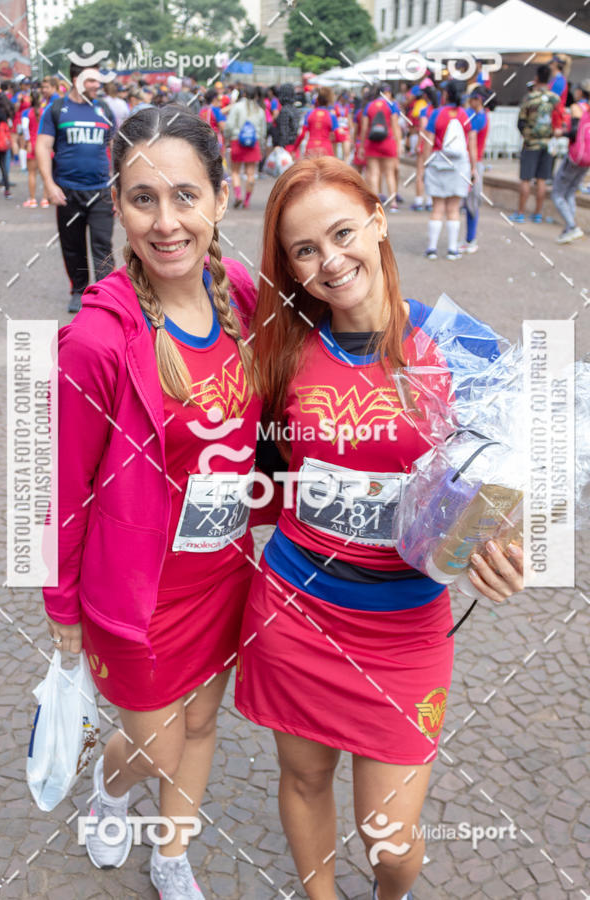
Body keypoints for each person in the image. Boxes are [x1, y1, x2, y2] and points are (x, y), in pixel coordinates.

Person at [236, 156, 524, 900]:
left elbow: (508, 486)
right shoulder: (283, 351)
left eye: (342, 232)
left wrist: (506, 546)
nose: (331, 260)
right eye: (305, 250)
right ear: (292, 269)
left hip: (405, 633)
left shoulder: (461, 347)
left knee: (390, 842)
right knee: (302, 778)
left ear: (378, 219)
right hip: (298, 613)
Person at [43, 106, 261, 898]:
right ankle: (109, 790)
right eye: (142, 199)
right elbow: (57, 487)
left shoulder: (239, 293)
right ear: (117, 203)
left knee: (201, 727)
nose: (166, 223)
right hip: (136, 595)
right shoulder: (97, 339)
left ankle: (171, 856)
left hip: (223, 574)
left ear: (220, 198)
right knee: (158, 746)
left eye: (184, 196)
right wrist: (60, 606)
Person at [36, 63, 116, 313]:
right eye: (92, 80)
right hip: (68, 192)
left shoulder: (103, 109)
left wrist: (120, 184)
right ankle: (79, 290)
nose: (97, 85)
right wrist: (49, 185)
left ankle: (104, 293)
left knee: (102, 243)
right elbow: (42, 146)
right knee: (73, 245)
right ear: (76, 79)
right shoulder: (57, 109)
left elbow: (115, 146)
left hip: (101, 191)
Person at [422, 80, 477, 260]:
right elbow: (472, 146)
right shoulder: (467, 115)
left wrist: (424, 165)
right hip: (460, 165)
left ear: (446, 94)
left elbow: (428, 142)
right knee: (454, 209)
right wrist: (474, 168)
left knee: (437, 207)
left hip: (438, 162)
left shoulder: (437, 114)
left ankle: (432, 249)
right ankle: (452, 249)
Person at [510, 64, 560, 224]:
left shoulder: (529, 98)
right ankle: (537, 214)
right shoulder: (555, 98)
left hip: (531, 144)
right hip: (548, 144)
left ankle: (520, 212)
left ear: (537, 78)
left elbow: (521, 122)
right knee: (542, 180)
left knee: (525, 179)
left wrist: (527, 135)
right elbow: (559, 120)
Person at [551, 78, 590, 243]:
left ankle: (572, 227)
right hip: (587, 158)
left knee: (558, 194)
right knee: (570, 193)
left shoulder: (577, 108)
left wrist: (560, 133)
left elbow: (574, 132)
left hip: (575, 156)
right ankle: (569, 228)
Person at [360, 83, 403, 211]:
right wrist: (399, 144)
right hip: (388, 142)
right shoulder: (391, 106)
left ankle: (375, 203)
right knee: (389, 173)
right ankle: (393, 202)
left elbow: (364, 128)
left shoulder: (369, 106)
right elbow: (396, 126)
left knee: (374, 173)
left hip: (372, 142)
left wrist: (362, 145)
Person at [223, 84, 266, 209]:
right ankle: (246, 201)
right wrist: (261, 146)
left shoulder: (237, 107)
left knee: (235, 171)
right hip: (254, 143)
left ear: (245, 94)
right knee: (250, 174)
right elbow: (263, 132)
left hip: (237, 141)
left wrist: (227, 137)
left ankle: (238, 195)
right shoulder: (260, 110)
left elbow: (229, 125)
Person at [460, 86, 491, 254]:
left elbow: (472, 143)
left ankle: (471, 239)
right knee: (470, 203)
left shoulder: (478, 118)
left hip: (474, 164)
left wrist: (472, 169)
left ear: (477, 100)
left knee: (472, 203)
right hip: (474, 163)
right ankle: (469, 239)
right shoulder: (481, 115)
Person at [411, 84, 438, 211]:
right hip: (437, 146)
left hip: (425, 144)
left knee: (420, 173)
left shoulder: (425, 111)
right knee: (433, 173)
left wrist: (418, 145)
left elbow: (422, 129)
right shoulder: (439, 110)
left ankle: (418, 200)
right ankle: (430, 200)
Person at [292, 87, 338, 159]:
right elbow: (336, 136)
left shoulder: (309, 114)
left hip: (311, 148)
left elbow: (302, 134)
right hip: (326, 149)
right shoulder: (331, 116)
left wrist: (294, 149)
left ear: (317, 100)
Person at [21, 90, 47, 208]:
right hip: (44, 145)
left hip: (32, 143)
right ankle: (45, 199)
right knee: (45, 174)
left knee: (32, 173)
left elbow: (25, 128)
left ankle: (32, 199)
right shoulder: (45, 112)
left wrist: (27, 142)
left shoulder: (26, 113)